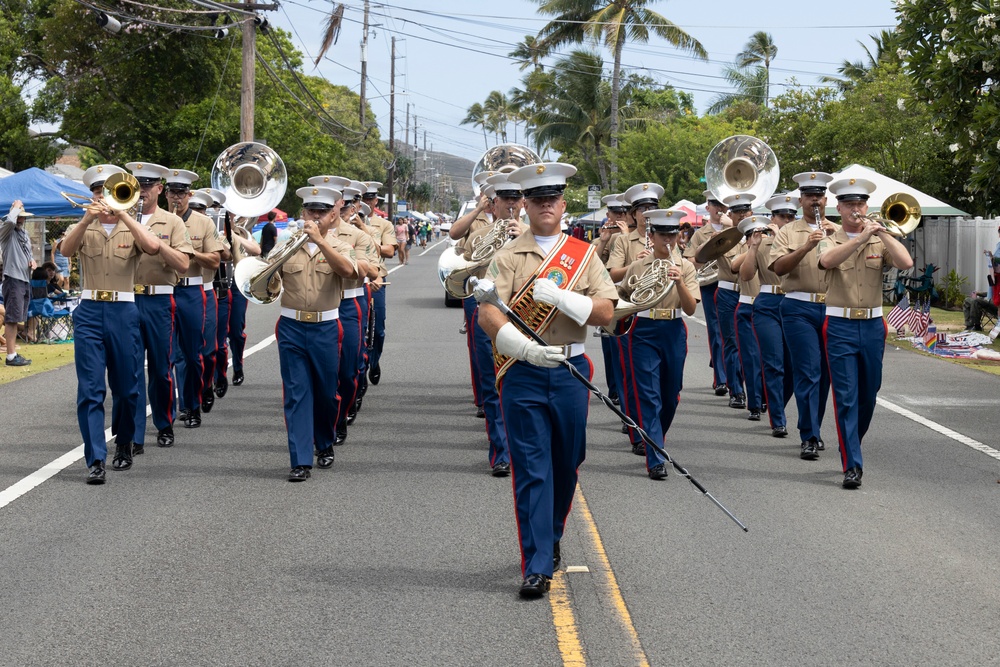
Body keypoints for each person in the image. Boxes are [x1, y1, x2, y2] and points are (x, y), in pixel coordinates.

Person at [477, 162, 616, 599]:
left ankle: (550, 534)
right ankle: (536, 563)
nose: (545, 207)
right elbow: (488, 312)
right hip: (523, 372)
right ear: (526, 205)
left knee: (567, 461)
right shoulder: (507, 255)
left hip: (571, 370)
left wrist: (563, 297)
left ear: (563, 203)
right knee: (533, 470)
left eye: (552, 199)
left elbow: (607, 312)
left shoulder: (583, 254)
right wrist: (521, 348)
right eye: (536, 200)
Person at [59, 164, 162, 484]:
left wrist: (125, 214)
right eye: (97, 192)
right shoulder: (84, 226)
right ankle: (95, 460)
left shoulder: (130, 227)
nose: (103, 197)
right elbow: (64, 249)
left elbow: (154, 247)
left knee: (128, 389)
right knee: (90, 390)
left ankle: (124, 444)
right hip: (90, 310)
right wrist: (87, 218)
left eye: (109, 191)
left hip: (123, 310)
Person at [817, 177, 913, 489]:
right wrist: (859, 239)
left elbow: (906, 262)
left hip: (873, 325)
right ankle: (853, 464)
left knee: (869, 394)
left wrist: (882, 233)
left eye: (860, 204)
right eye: (849, 205)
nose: (855, 209)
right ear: (839, 208)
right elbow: (826, 261)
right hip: (840, 324)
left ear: (866, 206)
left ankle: (850, 443)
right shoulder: (828, 236)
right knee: (846, 396)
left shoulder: (878, 238)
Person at [278, 185, 360, 481]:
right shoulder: (286, 243)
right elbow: (266, 278)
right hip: (291, 326)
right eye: (311, 210)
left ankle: (324, 441)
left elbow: (349, 272)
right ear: (303, 213)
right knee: (297, 394)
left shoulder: (340, 245)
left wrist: (320, 242)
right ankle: (300, 459)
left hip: (326, 326)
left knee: (326, 393)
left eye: (322, 211)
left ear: (332, 214)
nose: (316, 215)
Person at [617, 209, 698, 479]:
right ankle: (655, 457)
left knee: (671, 394)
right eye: (663, 234)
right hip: (643, 330)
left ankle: (655, 438)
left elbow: (690, 309)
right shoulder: (638, 266)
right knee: (648, 395)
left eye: (672, 235)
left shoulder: (685, 267)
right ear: (651, 236)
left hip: (674, 329)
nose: (668, 240)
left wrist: (679, 283)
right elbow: (622, 297)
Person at [125, 161, 194, 450]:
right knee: (129, 370)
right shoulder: (123, 217)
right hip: (127, 300)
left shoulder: (172, 222)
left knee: (161, 368)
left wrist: (156, 243)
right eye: (136, 186)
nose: (141, 192)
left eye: (146, 187)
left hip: (159, 300)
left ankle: (164, 423)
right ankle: (134, 435)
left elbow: (184, 263)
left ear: (159, 189)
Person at [769, 172, 836, 460]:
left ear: (826, 199)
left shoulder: (838, 229)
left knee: (825, 377)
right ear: (801, 200)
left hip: (833, 307)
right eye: (809, 196)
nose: (815, 201)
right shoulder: (788, 232)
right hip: (798, 307)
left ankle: (814, 427)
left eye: (819, 195)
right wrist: (807, 245)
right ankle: (808, 435)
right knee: (808, 371)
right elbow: (779, 268)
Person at [464, 172, 527, 476]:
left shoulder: (534, 237)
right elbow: (466, 270)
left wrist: (521, 238)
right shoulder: (479, 237)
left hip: (526, 316)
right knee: (492, 385)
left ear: (524, 202)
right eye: (506, 200)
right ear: (495, 203)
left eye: (516, 199)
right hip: (489, 313)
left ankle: (522, 445)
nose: (511, 205)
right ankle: (500, 452)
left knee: (522, 384)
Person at [165, 168, 225, 429]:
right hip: (165, 289)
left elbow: (215, 259)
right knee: (170, 354)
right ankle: (182, 406)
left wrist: (191, 254)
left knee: (196, 353)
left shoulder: (204, 222)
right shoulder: (158, 220)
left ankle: (196, 400)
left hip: (193, 289)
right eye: (172, 192)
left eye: (181, 193)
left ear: (189, 194)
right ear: (165, 193)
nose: (176, 198)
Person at [608, 182, 664, 454]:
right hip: (632, 313)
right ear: (633, 215)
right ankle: (638, 431)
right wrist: (635, 264)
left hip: (662, 315)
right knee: (632, 378)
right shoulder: (623, 240)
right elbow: (612, 273)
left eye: (652, 208)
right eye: (642, 209)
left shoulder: (667, 236)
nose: (647, 213)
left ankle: (650, 428)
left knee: (663, 385)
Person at [741, 195, 798, 437]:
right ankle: (778, 419)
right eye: (781, 216)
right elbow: (745, 274)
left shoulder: (801, 240)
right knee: (774, 363)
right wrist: (753, 246)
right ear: (771, 218)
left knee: (794, 367)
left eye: (790, 217)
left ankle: (775, 403)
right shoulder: (761, 242)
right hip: (768, 302)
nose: (786, 221)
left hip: (795, 302)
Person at [683, 191, 730, 396]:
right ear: (708, 207)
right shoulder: (700, 233)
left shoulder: (736, 228)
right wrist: (706, 248)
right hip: (711, 284)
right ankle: (721, 378)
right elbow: (689, 262)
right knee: (716, 330)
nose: (719, 208)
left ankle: (732, 373)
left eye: (722, 204)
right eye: (715, 204)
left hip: (733, 283)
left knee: (733, 333)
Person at [362, 182, 398, 385]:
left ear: (376, 201)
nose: (366, 203)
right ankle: (360, 366)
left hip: (377, 277)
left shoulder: (384, 224)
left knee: (378, 328)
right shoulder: (347, 222)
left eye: (370, 199)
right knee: (359, 326)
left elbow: (389, 251)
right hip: (354, 277)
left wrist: (364, 233)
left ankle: (374, 361)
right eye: (363, 199)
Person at [730, 214, 763, 420]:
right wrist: (754, 247)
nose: (758, 237)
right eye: (753, 234)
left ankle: (767, 397)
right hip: (748, 308)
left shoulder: (774, 248)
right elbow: (734, 266)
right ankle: (755, 403)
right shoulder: (745, 250)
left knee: (772, 360)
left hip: (771, 309)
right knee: (751, 358)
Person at [1, 200, 36, 366]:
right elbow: (8, 222)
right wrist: (14, 209)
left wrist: (32, 261)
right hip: (13, 278)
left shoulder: (24, 234)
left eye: (23, 216)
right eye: (18, 216)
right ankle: (11, 356)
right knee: (12, 318)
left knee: (16, 318)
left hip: (24, 279)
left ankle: (12, 354)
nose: (21, 219)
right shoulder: (7, 231)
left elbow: (28, 252)